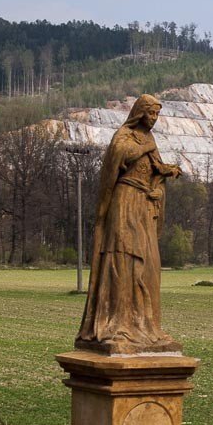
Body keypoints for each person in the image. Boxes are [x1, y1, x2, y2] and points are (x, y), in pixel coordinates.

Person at [75, 94, 183, 355]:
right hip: (124, 202)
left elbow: (155, 167)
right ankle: (118, 324)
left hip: (143, 206)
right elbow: (119, 157)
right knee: (123, 258)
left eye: (157, 115)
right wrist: (143, 150)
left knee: (148, 264)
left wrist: (166, 172)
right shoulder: (125, 134)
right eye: (151, 114)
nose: (154, 120)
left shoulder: (150, 140)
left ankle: (145, 325)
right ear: (139, 113)